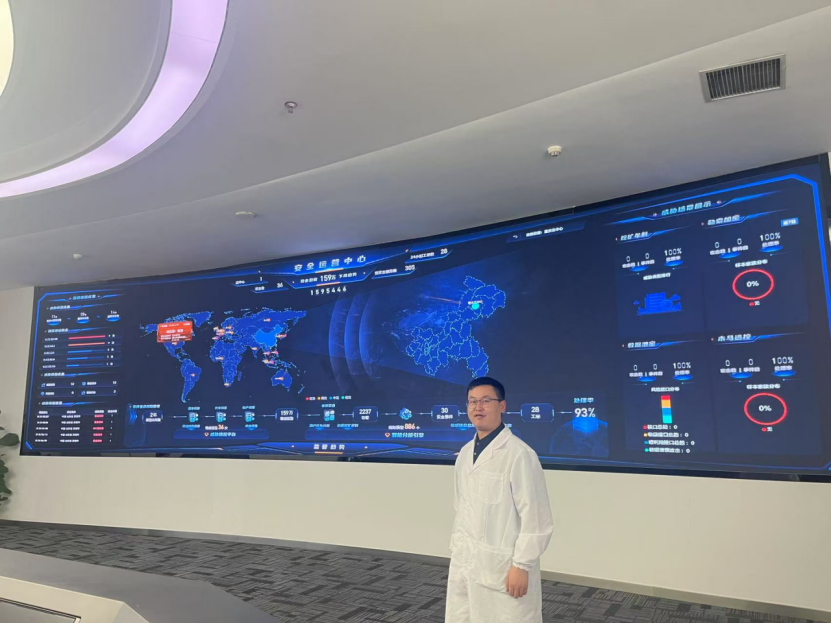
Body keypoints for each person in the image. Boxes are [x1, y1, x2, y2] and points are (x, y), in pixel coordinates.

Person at [445, 377, 554, 623]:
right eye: (472, 401)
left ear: (502, 406)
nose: (478, 407)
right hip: (466, 560)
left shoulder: (519, 454)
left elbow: (536, 519)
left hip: (503, 567)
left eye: (486, 401)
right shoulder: (464, 454)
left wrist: (522, 566)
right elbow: (461, 508)